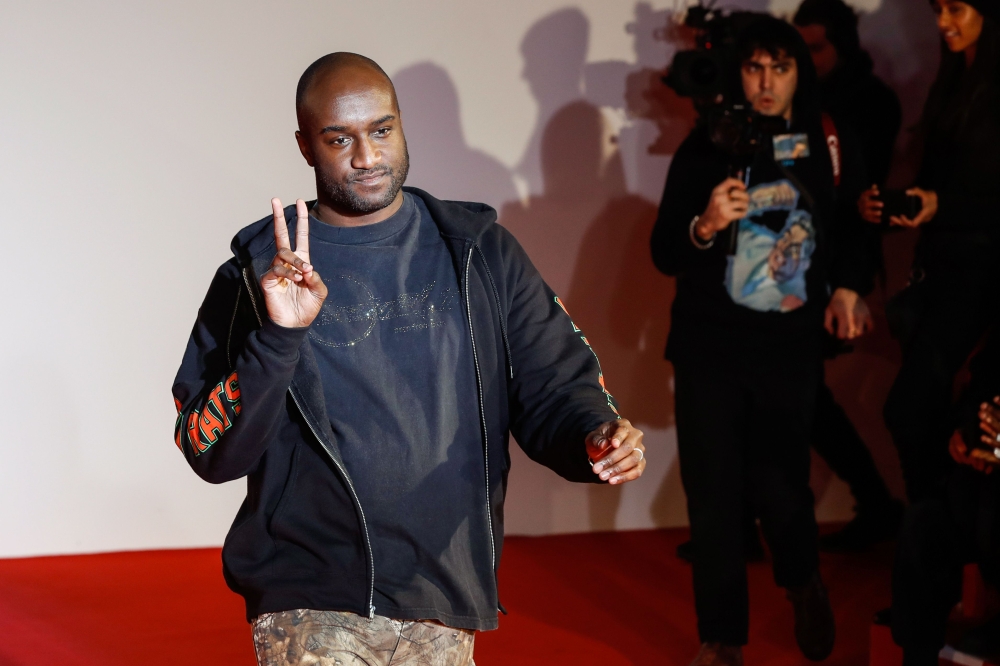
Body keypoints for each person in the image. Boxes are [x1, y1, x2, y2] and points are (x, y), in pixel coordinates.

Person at [171, 52, 647, 666]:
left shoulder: (479, 253)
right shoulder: (254, 276)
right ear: (304, 145)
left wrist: (594, 434)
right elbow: (211, 449)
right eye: (339, 138)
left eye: (381, 131)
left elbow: (555, 384)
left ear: (400, 124)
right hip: (312, 595)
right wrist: (279, 337)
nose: (366, 157)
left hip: (442, 591)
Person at [651, 15, 874, 666]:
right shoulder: (708, 143)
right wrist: (706, 222)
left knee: (782, 489)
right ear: (737, 73)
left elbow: (857, 227)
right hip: (707, 347)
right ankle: (721, 640)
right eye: (754, 68)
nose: (767, 82)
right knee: (713, 497)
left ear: (800, 72)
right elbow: (665, 250)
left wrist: (849, 289)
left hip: (788, 346)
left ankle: (801, 579)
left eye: (781, 67)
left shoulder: (829, 139)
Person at [860, 0, 1000, 504]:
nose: (943, 22)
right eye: (938, 9)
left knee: (915, 407)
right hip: (941, 267)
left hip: (982, 272)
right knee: (923, 409)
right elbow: (938, 186)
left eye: (956, 8)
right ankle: (937, 525)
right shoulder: (953, 79)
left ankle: (938, 524)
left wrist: (940, 203)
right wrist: (894, 206)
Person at [792, 0, 906, 552]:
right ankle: (877, 504)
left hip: (836, 266)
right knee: (805, 397)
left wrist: (850, 283)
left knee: (806, 398)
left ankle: (879, 504)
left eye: (815, 48)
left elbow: (857, 192)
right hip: (800, 268)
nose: (804, 60)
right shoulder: (805, 100)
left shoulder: (867, 103)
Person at [890, 326, 1000, 665]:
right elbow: (978, 392)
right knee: (922, 525)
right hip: (976, 489)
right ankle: (917, 656)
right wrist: (966, 435)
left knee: (990, 520)